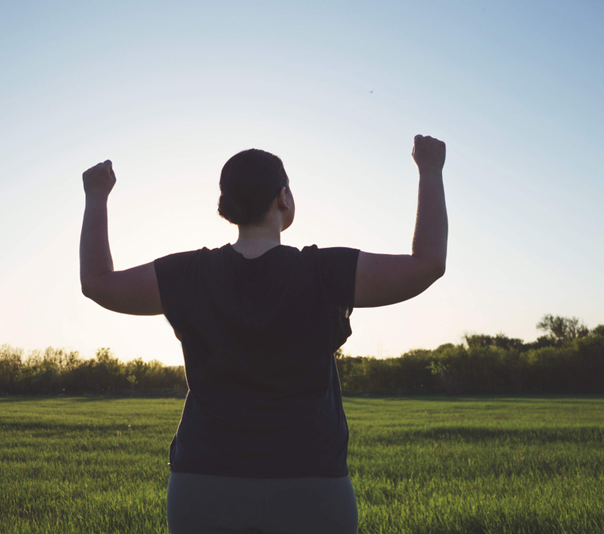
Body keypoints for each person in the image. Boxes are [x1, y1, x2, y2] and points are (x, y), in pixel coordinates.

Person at [79, 134, 448, 534]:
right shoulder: (324, 271)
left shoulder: (186, 275)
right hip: (312, 486)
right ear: (283, 199)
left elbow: (97, 282)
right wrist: (430, 171)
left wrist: (96, 197)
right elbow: (427, 264)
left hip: (202, 486)